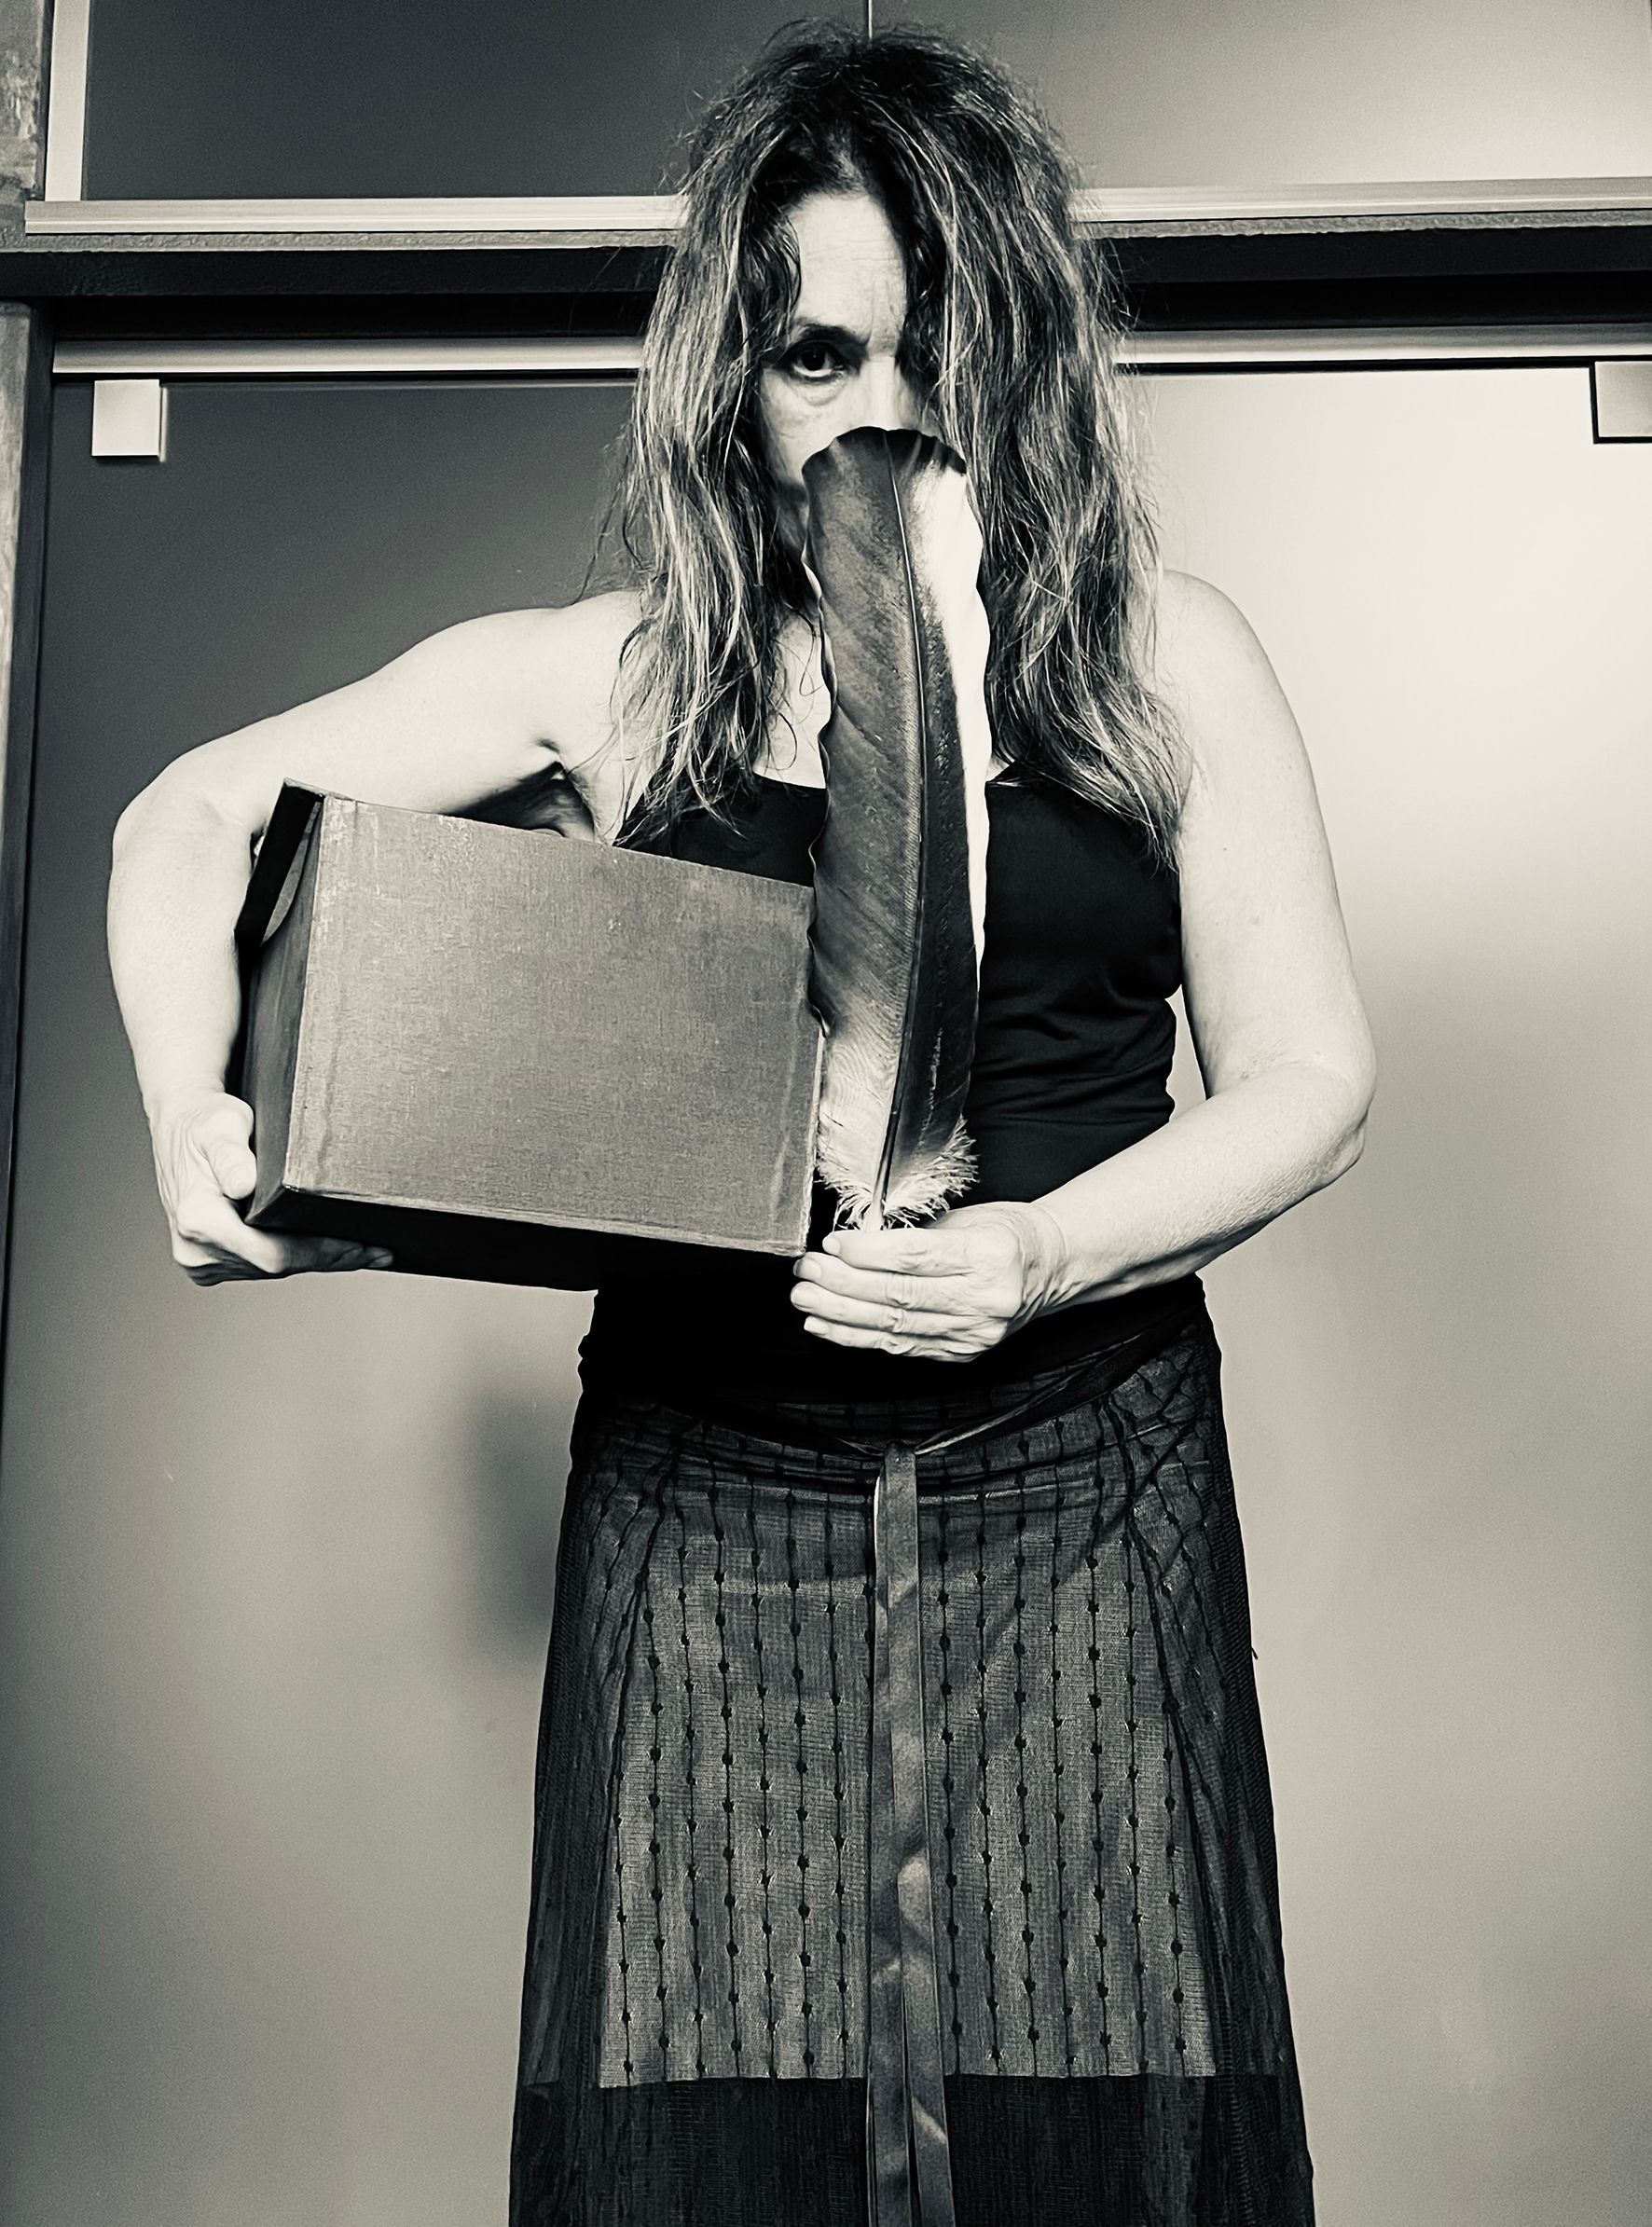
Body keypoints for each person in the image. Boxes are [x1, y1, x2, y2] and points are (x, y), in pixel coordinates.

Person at [105, 25, 1375, 2227]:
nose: (881, 411)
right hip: (708, 1471)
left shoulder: (1160, 661)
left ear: (1021, 352)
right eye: (816, 355)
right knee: (707, 2088)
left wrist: (1037, 1252)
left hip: (1081, 1457)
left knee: (1101, 2078)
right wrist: (187, 1121)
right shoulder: (607, 677)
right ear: (730, 378)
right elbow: (189, 815)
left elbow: (1309, 1078)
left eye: (930, 347)